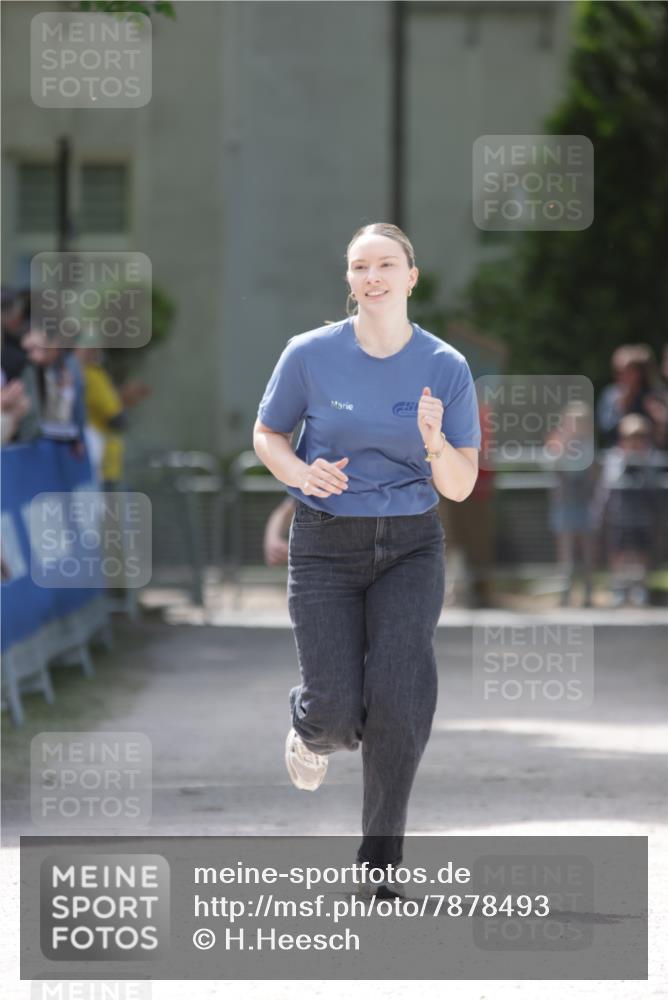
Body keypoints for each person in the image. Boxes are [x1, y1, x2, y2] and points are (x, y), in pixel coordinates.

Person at [253, 223, 480, 900]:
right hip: (325, 543)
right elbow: (268, 433)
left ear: (412, 276)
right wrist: (300, 472)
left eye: (385, 264)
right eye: (359, 267)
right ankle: (310, 726)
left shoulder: (446, 366)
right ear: (349, 280)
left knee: (399, 703)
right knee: (335, 712)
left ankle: (379, 863)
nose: (372, 277)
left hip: (411, 545)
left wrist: (435, 442)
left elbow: (460, 485)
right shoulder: (309, 354)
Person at [591, 413, 662, 606]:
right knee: (619, 552)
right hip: (619, 516)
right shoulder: (614, 458)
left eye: (640, 437)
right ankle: (619, 587)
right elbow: (606, 488)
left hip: (643, 517)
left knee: (641, 552)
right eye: (630, 437)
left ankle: (639, 587)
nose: (635, 442)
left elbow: (654, 486)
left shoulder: (651, 458)